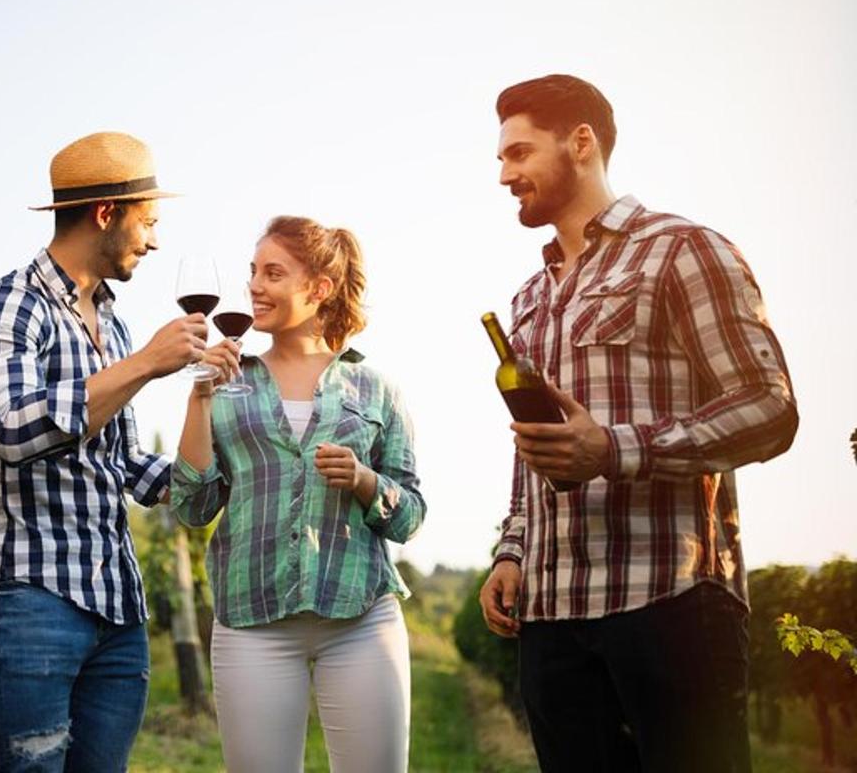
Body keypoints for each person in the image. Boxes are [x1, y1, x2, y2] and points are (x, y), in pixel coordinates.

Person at [478, 74, 798, 772]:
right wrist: (511, 549)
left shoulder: (683, 250)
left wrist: (617, 449)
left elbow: (770, 406)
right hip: (554, 617)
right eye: (501, 158)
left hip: (671, 605)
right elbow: (532, 445)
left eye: (519, 153)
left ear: (582, 143)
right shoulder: (529, 297)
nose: (504, 174)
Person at [0, 131, 208, 771]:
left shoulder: (113, 323)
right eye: (147, 222)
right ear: (105, 214)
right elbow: (12, 429)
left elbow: (117, 460)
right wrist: (148, 364)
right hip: (32, 600)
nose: (154, 240)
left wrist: (214, 472)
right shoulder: (11, 307)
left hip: (118, 610)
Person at [172, 216, 426, 773]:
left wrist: (364, 481)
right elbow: (193, 506)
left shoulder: (376, 389)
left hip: (360, 620)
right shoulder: (231, 381)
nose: (255, 287)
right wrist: (199, 397)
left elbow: (409, 516)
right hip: (252, 623)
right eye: (253, 272)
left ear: (319, 289)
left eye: (273, 273)